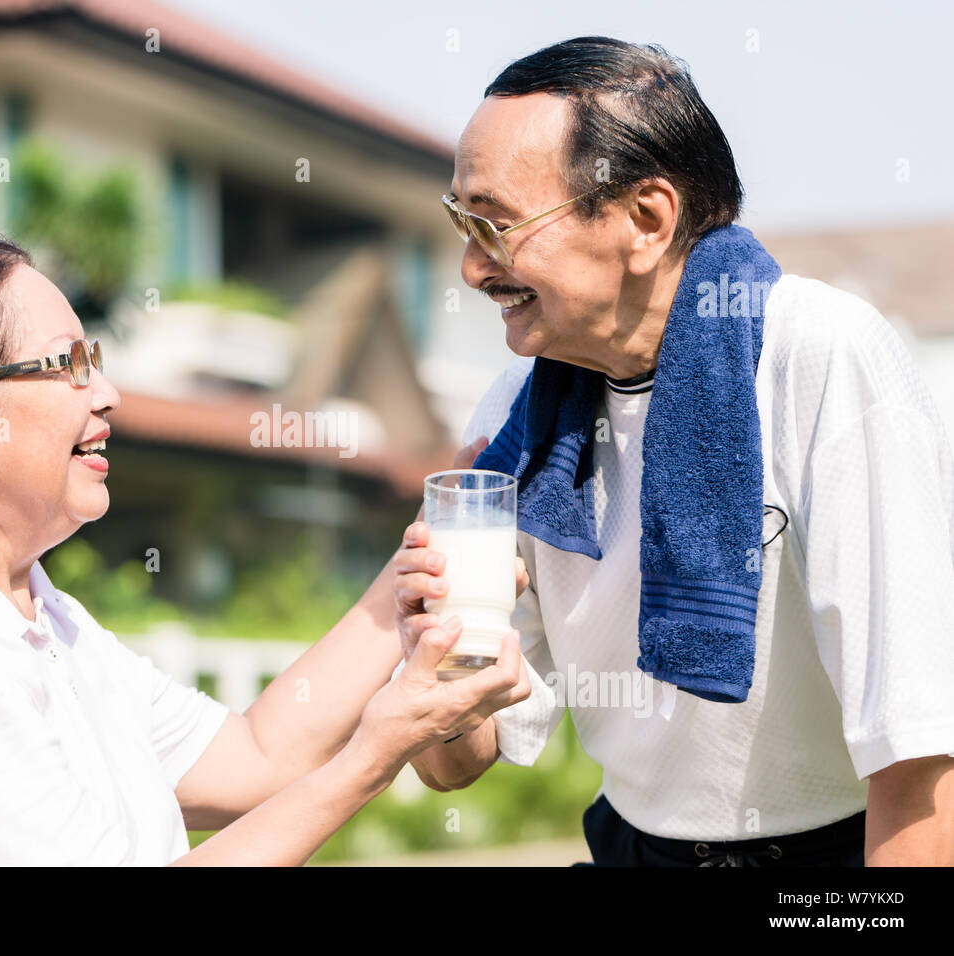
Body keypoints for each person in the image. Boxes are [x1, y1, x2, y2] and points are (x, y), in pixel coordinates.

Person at [0, 234, 529, 866]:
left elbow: (255, 755)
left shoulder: (40, 615)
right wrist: (375, 754)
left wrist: (407, 577)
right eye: (67, 365)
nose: (106, 394)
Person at [392, 36, 954, 866]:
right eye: (461, 224)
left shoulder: (820, 355)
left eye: (495, 224)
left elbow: (920, 762)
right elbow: (454, 765)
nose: (474, 268)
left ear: (646, 220)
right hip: (627, 846)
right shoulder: (520, 410)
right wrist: (433, 650)